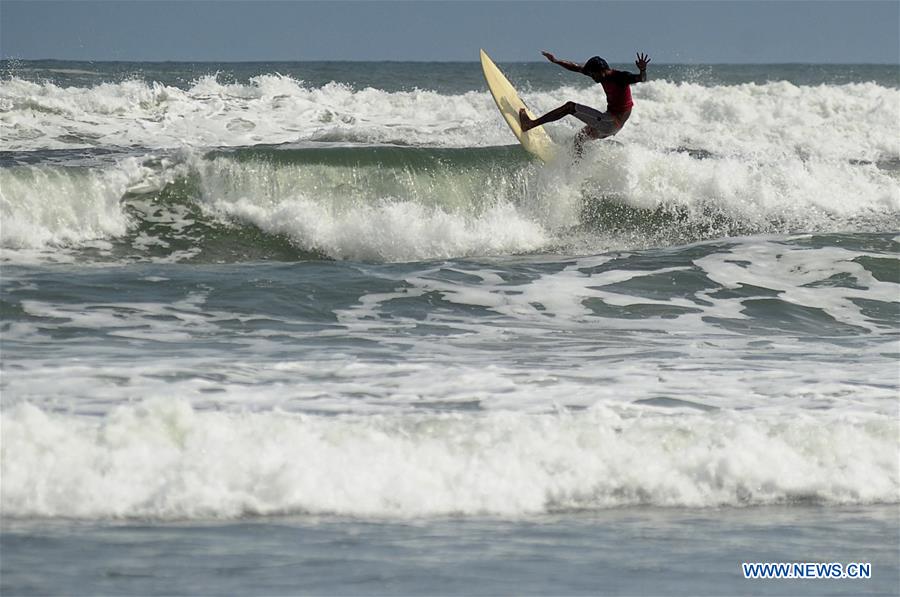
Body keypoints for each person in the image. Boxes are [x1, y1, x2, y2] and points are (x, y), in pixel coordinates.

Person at [520, 51, 650, 153]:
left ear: (602, 71)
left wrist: (642, 70)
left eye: (594, 75)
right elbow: (576, 68)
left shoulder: (620, 77)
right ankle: (574, 171)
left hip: (611, 122)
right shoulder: (601, 74)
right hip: (611, 124)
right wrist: (556, 61)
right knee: (579, 139)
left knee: (570, 107)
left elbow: (641, 79)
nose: (592, 78)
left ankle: (530, 124)